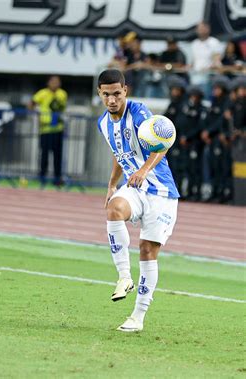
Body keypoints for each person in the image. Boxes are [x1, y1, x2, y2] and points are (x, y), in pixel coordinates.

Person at [96, 69, 179, 332]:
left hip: (161, 192)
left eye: (117, 94)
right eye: (106, 94)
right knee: (114, 209)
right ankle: (124, 277)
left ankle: (138, 317)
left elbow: (163, 143)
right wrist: (111, 184)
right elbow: (118, 153)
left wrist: (143, 170)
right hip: (135, 187)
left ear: (125, 91)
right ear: (100, 93)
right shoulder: (103, 123)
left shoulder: (139, 111)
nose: (112, 100)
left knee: (147, 251)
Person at [28, 75, 67, 186]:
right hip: (45, 129)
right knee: (44, 154)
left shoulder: (62, 94)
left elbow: (62, 108)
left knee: (57, 155)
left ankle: (57, 178)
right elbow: (31, 103)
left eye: (57, 82)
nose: (55, 84)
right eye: (53, 81)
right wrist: (36, 114)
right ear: (48, 83)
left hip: (58, 129)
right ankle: (42, 177)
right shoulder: (42, 93)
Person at [200, 76, 231, 202]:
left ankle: (222, 192)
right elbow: (208, 118)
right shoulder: (214, 101)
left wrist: (209, 131)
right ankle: (213, 191)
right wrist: (205, 132)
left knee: (220, 165)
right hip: (211, 139)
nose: (214, 91)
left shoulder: (226, 102)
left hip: (220, 137)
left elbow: (220, 121)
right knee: (211, 165)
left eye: (217, 88)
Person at [164, 76, 188, 191]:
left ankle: (178, 188)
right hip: (170, 140)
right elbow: (164, 118)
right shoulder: (172, 104)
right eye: (173, 89)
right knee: (171, 164)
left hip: (179, 139)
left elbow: (181, 123)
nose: (174, 92)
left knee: (179, 165)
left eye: (176, 89)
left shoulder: (184, 104)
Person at [190, 21, 223, 95]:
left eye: (202, 28)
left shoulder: (214, 42)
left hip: (208, 78)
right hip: (195, 77)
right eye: (198, 29)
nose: (200, 31)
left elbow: (217, 60)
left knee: (206, 99)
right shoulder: (194, 44)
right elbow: (193, 61)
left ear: (207, 29)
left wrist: (210, 67)